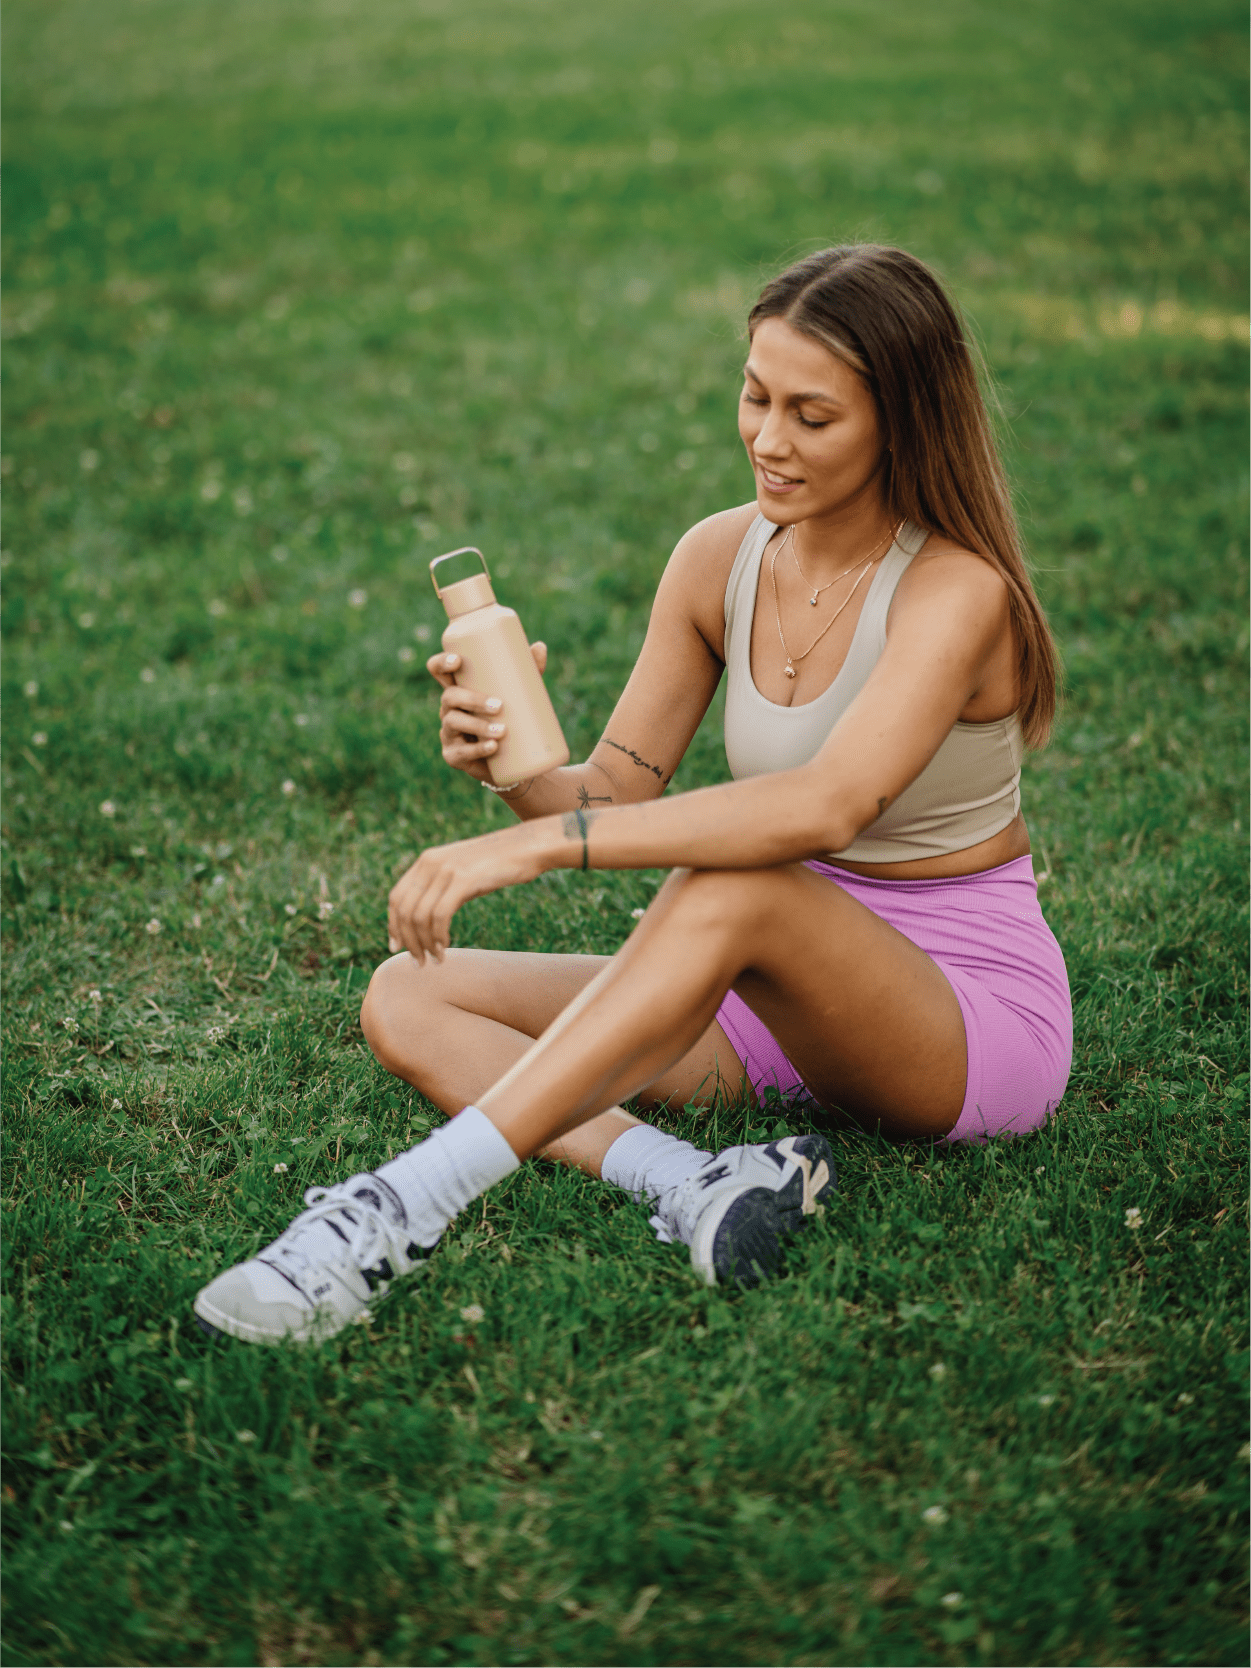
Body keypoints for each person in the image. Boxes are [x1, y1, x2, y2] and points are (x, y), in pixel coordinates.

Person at [194, 243, 1072, 1346]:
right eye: (756, 396)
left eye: (813, 415)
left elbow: (825, 808)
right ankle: (691, 1182)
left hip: (958, 1017)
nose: (766, 437)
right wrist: (515, 772)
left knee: (740, 884)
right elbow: (605, 792)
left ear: (901, 422)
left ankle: (396, 1211)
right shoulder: (718, 558)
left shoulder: (957, 591)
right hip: (772, 1003)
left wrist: (539, 848)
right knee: (409, 995)